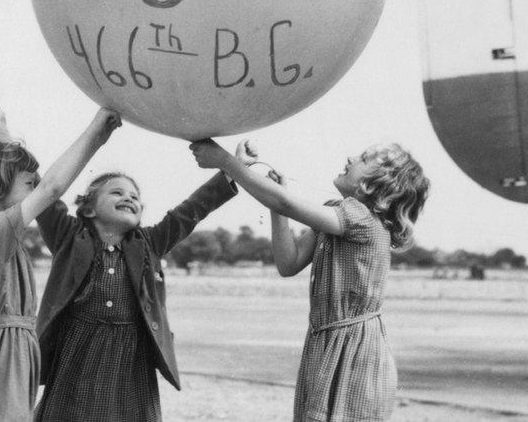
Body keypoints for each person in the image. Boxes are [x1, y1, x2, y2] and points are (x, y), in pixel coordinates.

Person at [190, 139, 430, 421]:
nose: (352, 157)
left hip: (353, 349)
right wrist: (277, 210)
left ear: (379, 184)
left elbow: (285, 201)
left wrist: (225, 161)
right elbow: (288, 263)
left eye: (364, 159)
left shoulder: (361, 219)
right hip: (329, 340)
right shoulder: (339, 214)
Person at [30, 140, 243, 421]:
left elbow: (190, 211)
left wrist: (233, 169)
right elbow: (45, 194)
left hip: (131, 356)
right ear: (89, 210)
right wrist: (6, 137)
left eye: (134, 196)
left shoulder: (149, 242)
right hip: (77, 352)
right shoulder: (68, 236)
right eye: (117, 192)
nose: (129, 198)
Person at [0, 106, 121, 421]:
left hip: (13, 350)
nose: (34, 190)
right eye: (27, 185)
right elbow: (51, 188)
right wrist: (97, 131)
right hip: (3, 354)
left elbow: (39, 187)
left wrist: (3, 137)